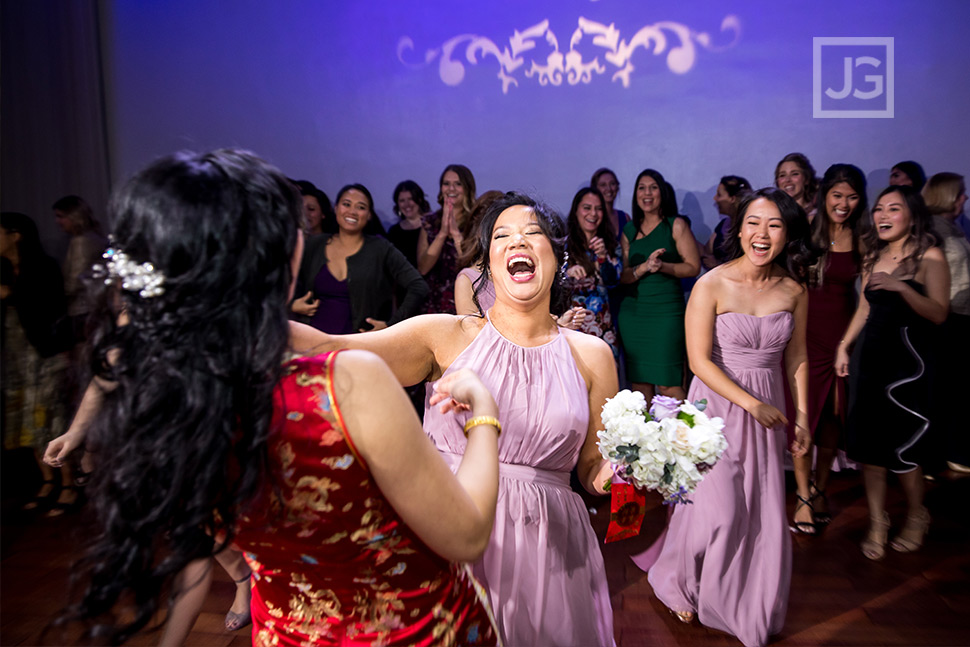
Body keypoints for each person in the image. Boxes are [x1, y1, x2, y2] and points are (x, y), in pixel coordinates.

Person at [44, 149, 502, 646]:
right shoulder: (344, 385)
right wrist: (483, 411)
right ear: (285, 260)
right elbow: (469, 534)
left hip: (286, 633)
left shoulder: (169, 396)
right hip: (410, 633)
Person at [314, 192, 618, 646]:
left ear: (557, 255)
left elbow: (591, 468)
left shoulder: (592, 355)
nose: (519, 241)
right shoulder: (444, 335)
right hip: (448, 525)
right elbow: (330, 350)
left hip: (548, 547)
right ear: (489, 262)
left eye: (534, 233)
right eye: (503, 236)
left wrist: (614, 472)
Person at [636, 187, 814, 647]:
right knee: (717, 511)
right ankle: (675, 576)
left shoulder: (794, 290)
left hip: (769, 410)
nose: (762, 234)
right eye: (754, 222)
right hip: (714, 410)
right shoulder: (711, 283)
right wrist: (750, 403)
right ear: (738, 228)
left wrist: (803, 417)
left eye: (774, 225)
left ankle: (740, 598)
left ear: (787, 234)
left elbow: (797, 358)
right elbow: (698, 361)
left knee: (755, 511)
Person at [836, 186, 950, 561]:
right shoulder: (874, 256)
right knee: (870, 449)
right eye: (879, 208)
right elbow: (865, 310)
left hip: (908, 364)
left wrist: (902, 286)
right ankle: (877, 521)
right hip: (871, 359)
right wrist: (844, 345)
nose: (883, 215)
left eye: (893, 209)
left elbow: (938, 313)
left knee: (904, 449)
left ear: (912, 215)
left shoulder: (930, 256)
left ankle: (917, 515)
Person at [791, 164, 867, 534]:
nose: (844, 203)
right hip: (806, 336)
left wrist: (845, 345)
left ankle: (821, 488)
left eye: (852, 196)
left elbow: (865, 299)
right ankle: (803, 495)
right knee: (804, 416)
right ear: (825, 196)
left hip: (841, 337)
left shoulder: (863, 235)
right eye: (838, 195)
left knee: (832, 421)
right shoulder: (807, 231)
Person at [1, 212, 74, 514]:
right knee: (26, 419)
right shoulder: (4, 269)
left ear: (15, 234)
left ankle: (69, 484)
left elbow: (52, 310)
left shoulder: (42, 267)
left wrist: (10, 294)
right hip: (16, 355)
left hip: (45, 354)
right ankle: (47, 481)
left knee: (53, 416)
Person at [290, 183, 428, 333]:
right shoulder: (313, 245)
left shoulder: (381, 249)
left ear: (369, 215)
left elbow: (419, 286)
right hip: (313, 345)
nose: (352, 211)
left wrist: (391, 325)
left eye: (361, 207)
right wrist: (290, 304)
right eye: (346, 204)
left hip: (360, 347)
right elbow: (278, 281)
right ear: (336, 208)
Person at [618, 169, 701, 402]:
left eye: (653, 187)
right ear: (635, 194)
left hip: (666, 313)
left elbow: (693, 266)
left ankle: (680, 438)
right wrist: (644, 267)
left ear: (662, 192)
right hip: (633, 314)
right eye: (641, 188)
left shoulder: (676, 225)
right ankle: (644, 438)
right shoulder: (629, 230)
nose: (647, 193)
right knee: (640, 387)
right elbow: (622, 276)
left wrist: (661, 266)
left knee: (668, 385)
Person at [922, 173, 970, 473]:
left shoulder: (952, 227)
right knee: (946, 390)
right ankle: (939, 455)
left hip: (960, 319)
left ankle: (950, 452)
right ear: (946, 195)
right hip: (946, 319)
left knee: (955, 390)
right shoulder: (935, 232)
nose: (965, 198)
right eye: (961, 193)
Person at [563, 187, 622, 361]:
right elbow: (549, 284)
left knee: (607, 386)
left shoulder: (611, 245)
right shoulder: (562, 245)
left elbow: (614, 282)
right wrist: (566, 274)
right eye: (587, 208)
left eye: (598, 209)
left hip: (603, 327)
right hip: (572, 327)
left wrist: (603, 257)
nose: (593, 214)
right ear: (576, 211)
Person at [417, 164, 476, 314]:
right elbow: (423, 269)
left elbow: (473, 266)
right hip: (432, 303)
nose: (451, 189)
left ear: (468, 188)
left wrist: (456, 234)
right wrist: (442, 233)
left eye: (458, 184)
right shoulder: (429, 221)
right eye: (446, 184)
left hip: (464, 301)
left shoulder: (477, 221)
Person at [51, 195, 108, 340]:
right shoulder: (95, 237)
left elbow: (74, 282)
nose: (57, 222)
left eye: (61, 216)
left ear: (75, 216)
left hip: (82, 310)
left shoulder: (81, 241)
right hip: (94, 308)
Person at [702, 175, 751, 269]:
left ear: (733, 199)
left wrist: (720, 266)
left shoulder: (749, 228)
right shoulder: (723, 224)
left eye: (719, 195)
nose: (715, 199)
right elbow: (706, 251)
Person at [386, 179, 431, 268]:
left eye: (410, 199)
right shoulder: (394, 232)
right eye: (402, 200)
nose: (407, 205)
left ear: (419, 200)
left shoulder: (431, 226)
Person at [775, 153, 819, 217]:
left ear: (806, 179)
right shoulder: (773, 213)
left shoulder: (819, 215)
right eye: (782, 175)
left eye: (795, 174)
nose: (787, 180)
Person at [591, 167, 630, 238]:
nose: (609, 189)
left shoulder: (625, 218)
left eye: (612, 184)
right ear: (595, 188)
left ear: (617, 187)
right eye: (603, 185)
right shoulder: (591, 218)